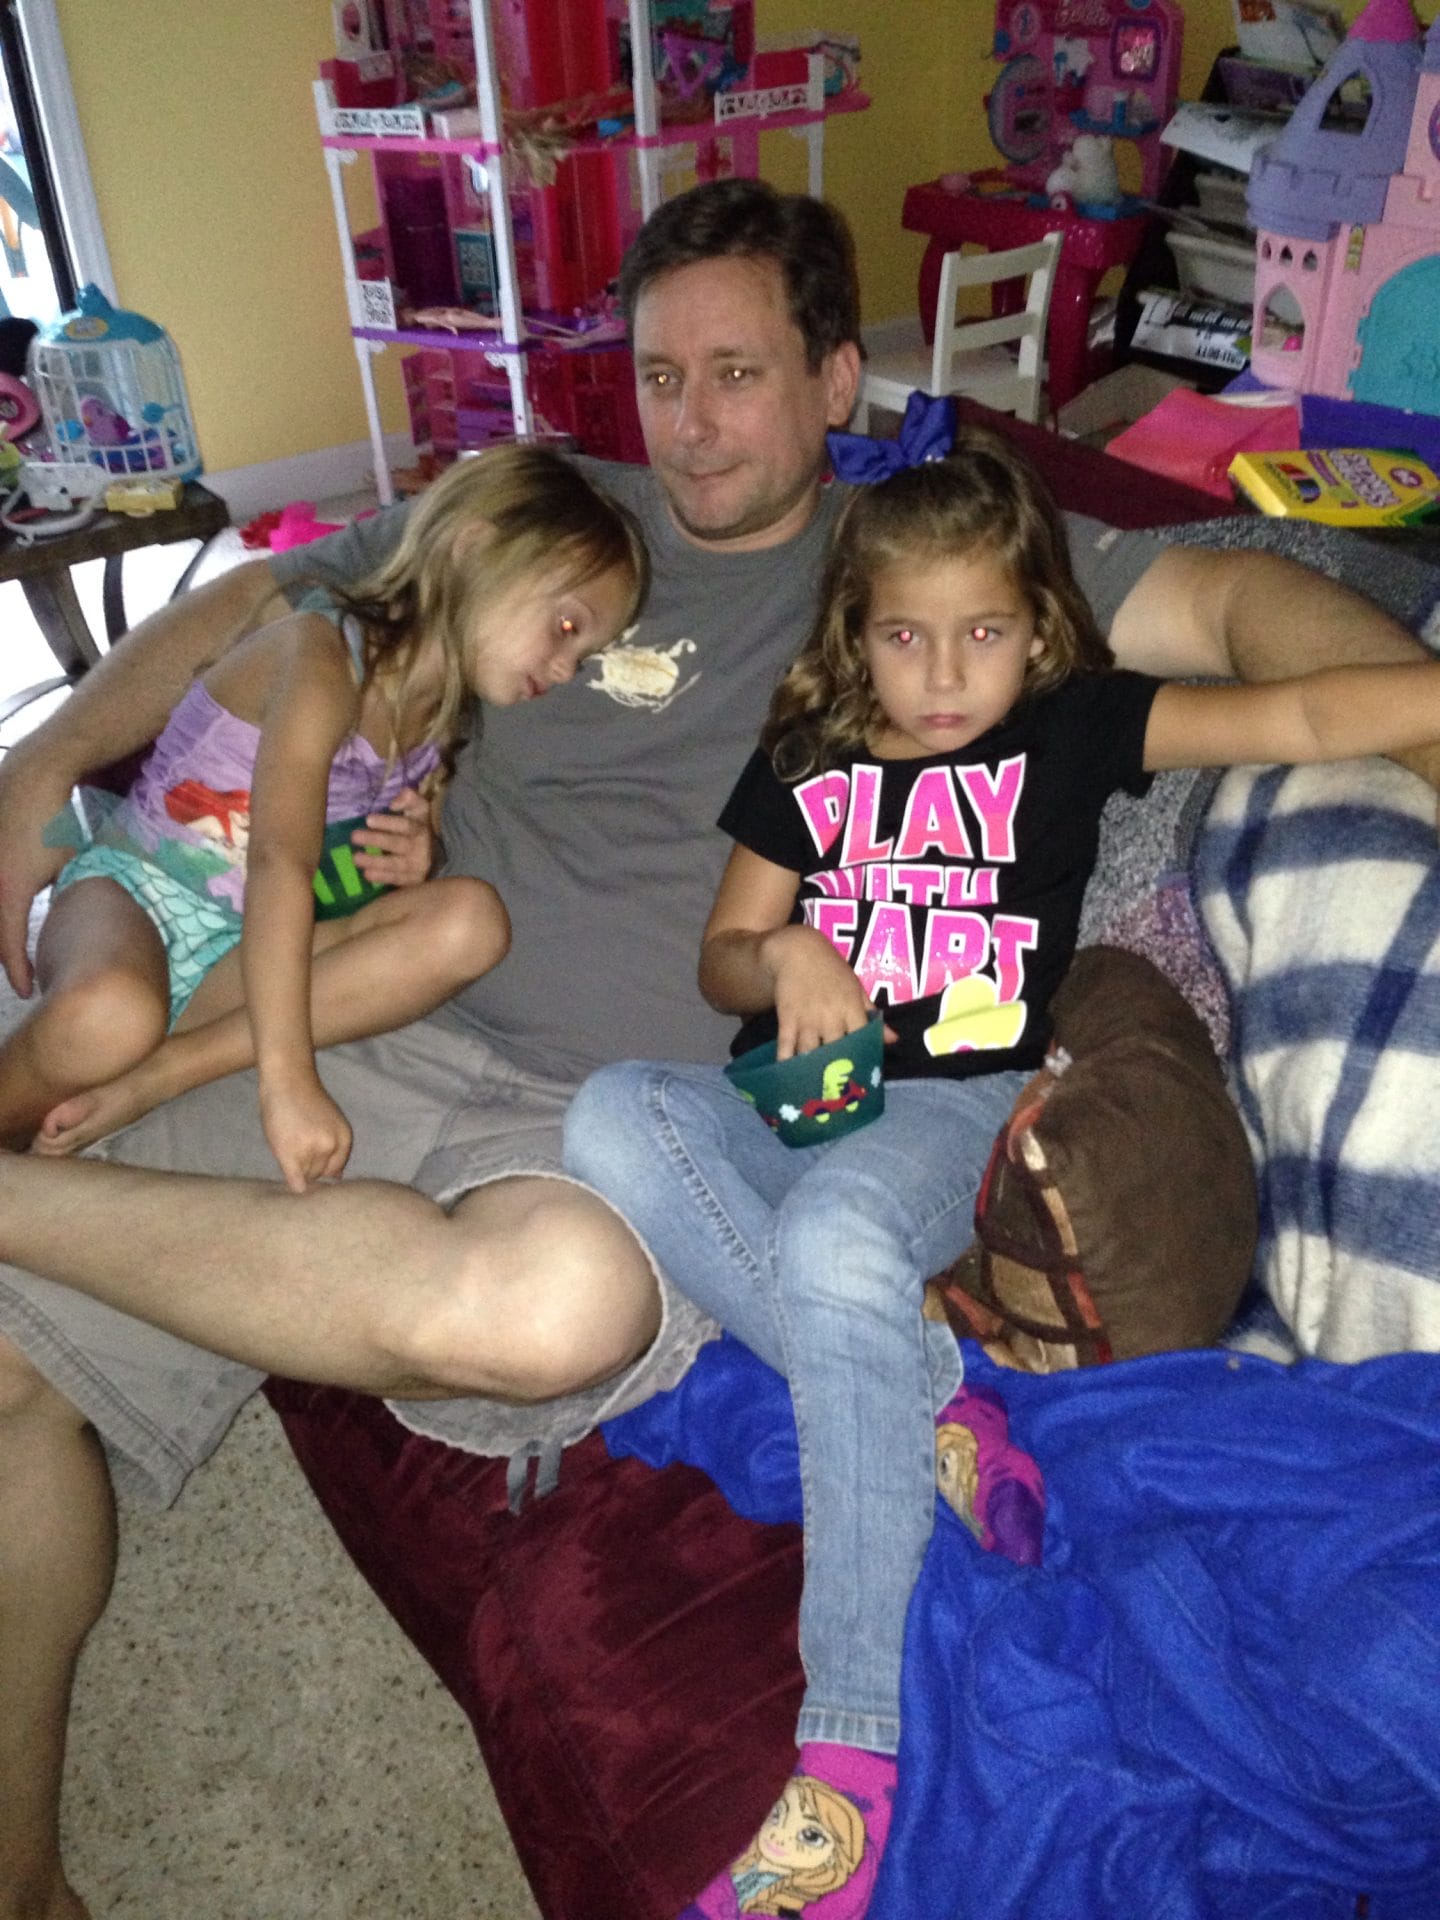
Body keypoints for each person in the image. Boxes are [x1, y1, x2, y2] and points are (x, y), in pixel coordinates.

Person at [0, 176, 1436, 1920]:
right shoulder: (559, 519)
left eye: (738, 374)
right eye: (661, 377)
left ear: (836, 379)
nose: (688, 424)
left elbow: (1239, 611)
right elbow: (269, 599)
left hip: (607, 1124)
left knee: (553, 1312)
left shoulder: (911, 579)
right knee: (12, 1376)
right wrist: (33, 772)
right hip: (379, 1000)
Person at [561, 423, 1440, 1920]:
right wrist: (788, 952)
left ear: (1036, 629)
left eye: (982, 632)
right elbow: (723, 956)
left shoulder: (1068, 729)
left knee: (838, 1243)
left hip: (956, 1095)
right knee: (607, 1116)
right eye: (906, 635)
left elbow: (1295, 709)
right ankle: (940, 1408)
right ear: (859, 634)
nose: (944, 670)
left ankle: (851, 1758)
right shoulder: (809, 757)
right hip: (801, 1092)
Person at [1, 445, 644, 1189]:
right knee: (109, 1014)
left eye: (585, 653)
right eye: (565, 626)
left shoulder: (442, 723)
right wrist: (288, 1081)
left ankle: (164, 1073)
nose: (565, 669)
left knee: (469, 922)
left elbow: (348, 874)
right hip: (136, 894)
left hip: (239, 953)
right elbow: (280, 860)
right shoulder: (319, 653)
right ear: (472, 548)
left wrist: (416, 860)